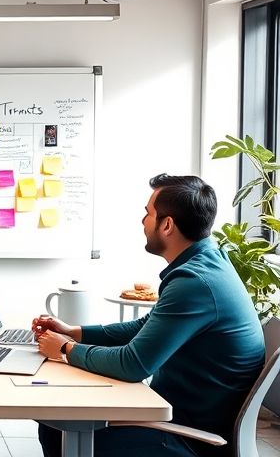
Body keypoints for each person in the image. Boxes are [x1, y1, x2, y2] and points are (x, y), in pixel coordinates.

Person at [32, 174, 264, 457]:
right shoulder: (207, 262)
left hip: (191, 439)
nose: (143, 222)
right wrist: (75, 331)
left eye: (148, 213)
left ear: (167, 225)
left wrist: (66, 348)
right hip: (176, 418)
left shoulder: (195, 283)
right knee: (59, 425)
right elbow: (146, 326)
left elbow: (133, 364)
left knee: (60, 430)